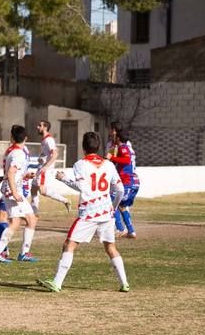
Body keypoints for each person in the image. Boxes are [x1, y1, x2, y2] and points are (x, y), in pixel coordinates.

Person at [37, 132, 129, 293]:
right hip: (106, 212)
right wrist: (113, 207)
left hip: (89, 212)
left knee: (69, 244)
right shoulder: (108, 164)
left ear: (83, 147)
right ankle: (124, 283)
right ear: (99, 146)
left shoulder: (80, 164)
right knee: (110, 247)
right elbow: (120, 190)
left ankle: (57, 283)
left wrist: (63, 178)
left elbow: (82, 187)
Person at [0, 125, 39, 263]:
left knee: (30, 220)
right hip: (13, 191)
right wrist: (15, 193)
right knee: (16, 222)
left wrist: (25, 175)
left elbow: (13, 172)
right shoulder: (18, 154)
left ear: (11, 137)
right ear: (26, 138)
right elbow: (11, 172)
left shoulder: (12, 151)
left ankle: (23, 253)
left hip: (13, 189)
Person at [30, 120, 71, 216]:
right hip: (41, 167)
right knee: (34, 189)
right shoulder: (44, 139)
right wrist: (42, 157)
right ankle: (34, 213)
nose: (37, 127)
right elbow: (48, 154)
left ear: (45, 127)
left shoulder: (49, 139)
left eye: (39, 125)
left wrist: (46, 166)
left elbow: (55, 154)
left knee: (42, 191)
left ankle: (65, 200)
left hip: (44, 169)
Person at [106, 130, 140, 238]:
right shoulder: (127, 148)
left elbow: (126, 160)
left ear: (119, 138)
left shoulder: (123, 147)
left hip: (126, 181)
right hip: (132, 181)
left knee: (111, 203)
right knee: (122, 206)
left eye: (115, 137)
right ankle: (131, 231)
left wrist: (112, 157)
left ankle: (120, 229)